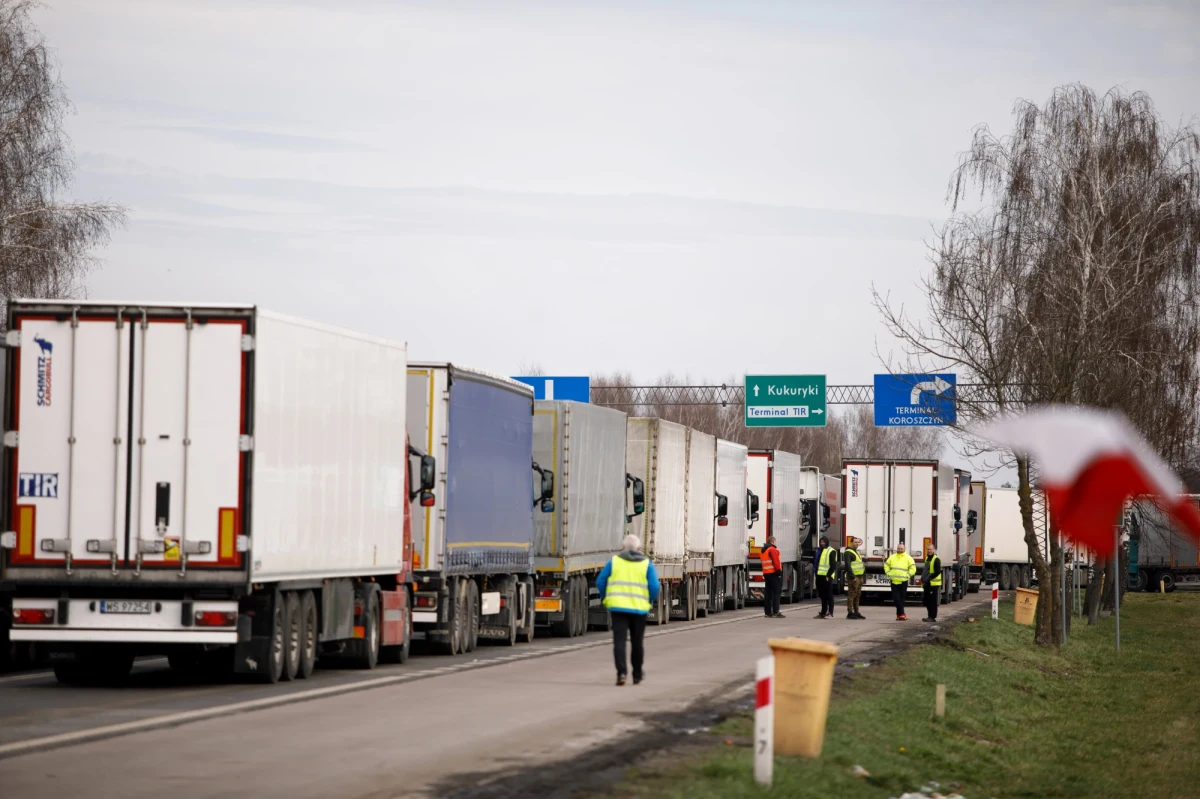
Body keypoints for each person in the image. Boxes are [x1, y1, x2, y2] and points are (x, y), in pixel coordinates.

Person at [597, 534, 660, 686]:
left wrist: (606, 598)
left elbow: (600, 581)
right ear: (639, 548)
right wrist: (648, 600)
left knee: (619, 641)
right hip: (639, 609)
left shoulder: (614, 562)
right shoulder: (646, 564)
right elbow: (654, 586)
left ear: (623, 547)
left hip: (618, 608)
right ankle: (637, 674)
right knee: (637, 642)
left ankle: (621, 673)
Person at [883, 542, 916, 620]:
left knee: (901, 599)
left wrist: (907, 575)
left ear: (904, 549)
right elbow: (886, 566)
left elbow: (913, 568)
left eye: (901, 548)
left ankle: (899, 615)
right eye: (898, 548)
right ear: (896, 549)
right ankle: (902, 613)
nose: (900, 550)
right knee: (896, 598)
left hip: (903, 581)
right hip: (894, 581)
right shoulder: (892, 557)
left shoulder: (908, 558)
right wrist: (888, 573)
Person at [814, 535, 839, 619]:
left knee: (829, 595)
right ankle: (823, 612)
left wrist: (828, 575)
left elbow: (833, 565)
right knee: (822, 595)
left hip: (827, 576)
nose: (822, 543)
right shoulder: (819, 551)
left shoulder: (831, 551)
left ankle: (830, 612)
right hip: (819, 575)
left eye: (823, 542)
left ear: (827, 542)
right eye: (821, 542)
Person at [760, 535, 784, 619]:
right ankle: (776, 612)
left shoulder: (763, 551)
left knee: (768, 594)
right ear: (773, 542)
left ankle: (767, 612)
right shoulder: (772, 550)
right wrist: (779, 572)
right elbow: (776, 562)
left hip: (766, 574)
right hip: (774, 574)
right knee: (776, 593)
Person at [844, 537, 866, 620]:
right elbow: (847, 565)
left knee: (858, 595)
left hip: (859, 577)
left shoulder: (856, 552)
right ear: (851, 542)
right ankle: (850, 612)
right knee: (852, 594)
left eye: (858, 542)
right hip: (853, 577)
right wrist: (852, 577)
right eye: (855, 542)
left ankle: (856, 612)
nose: (857, 544)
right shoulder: (848, 552)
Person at [922, 542, 942, 623]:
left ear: (933, 550)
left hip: (933, 584)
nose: (929, 551)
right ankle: (929, 616)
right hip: (927, 583)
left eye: (931, 549)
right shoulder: (927, 558)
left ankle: (932, 617)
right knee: (926, 601)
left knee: (932, 602)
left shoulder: (936, 559)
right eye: (928, 549)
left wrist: (928, 578)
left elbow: (937, 572)